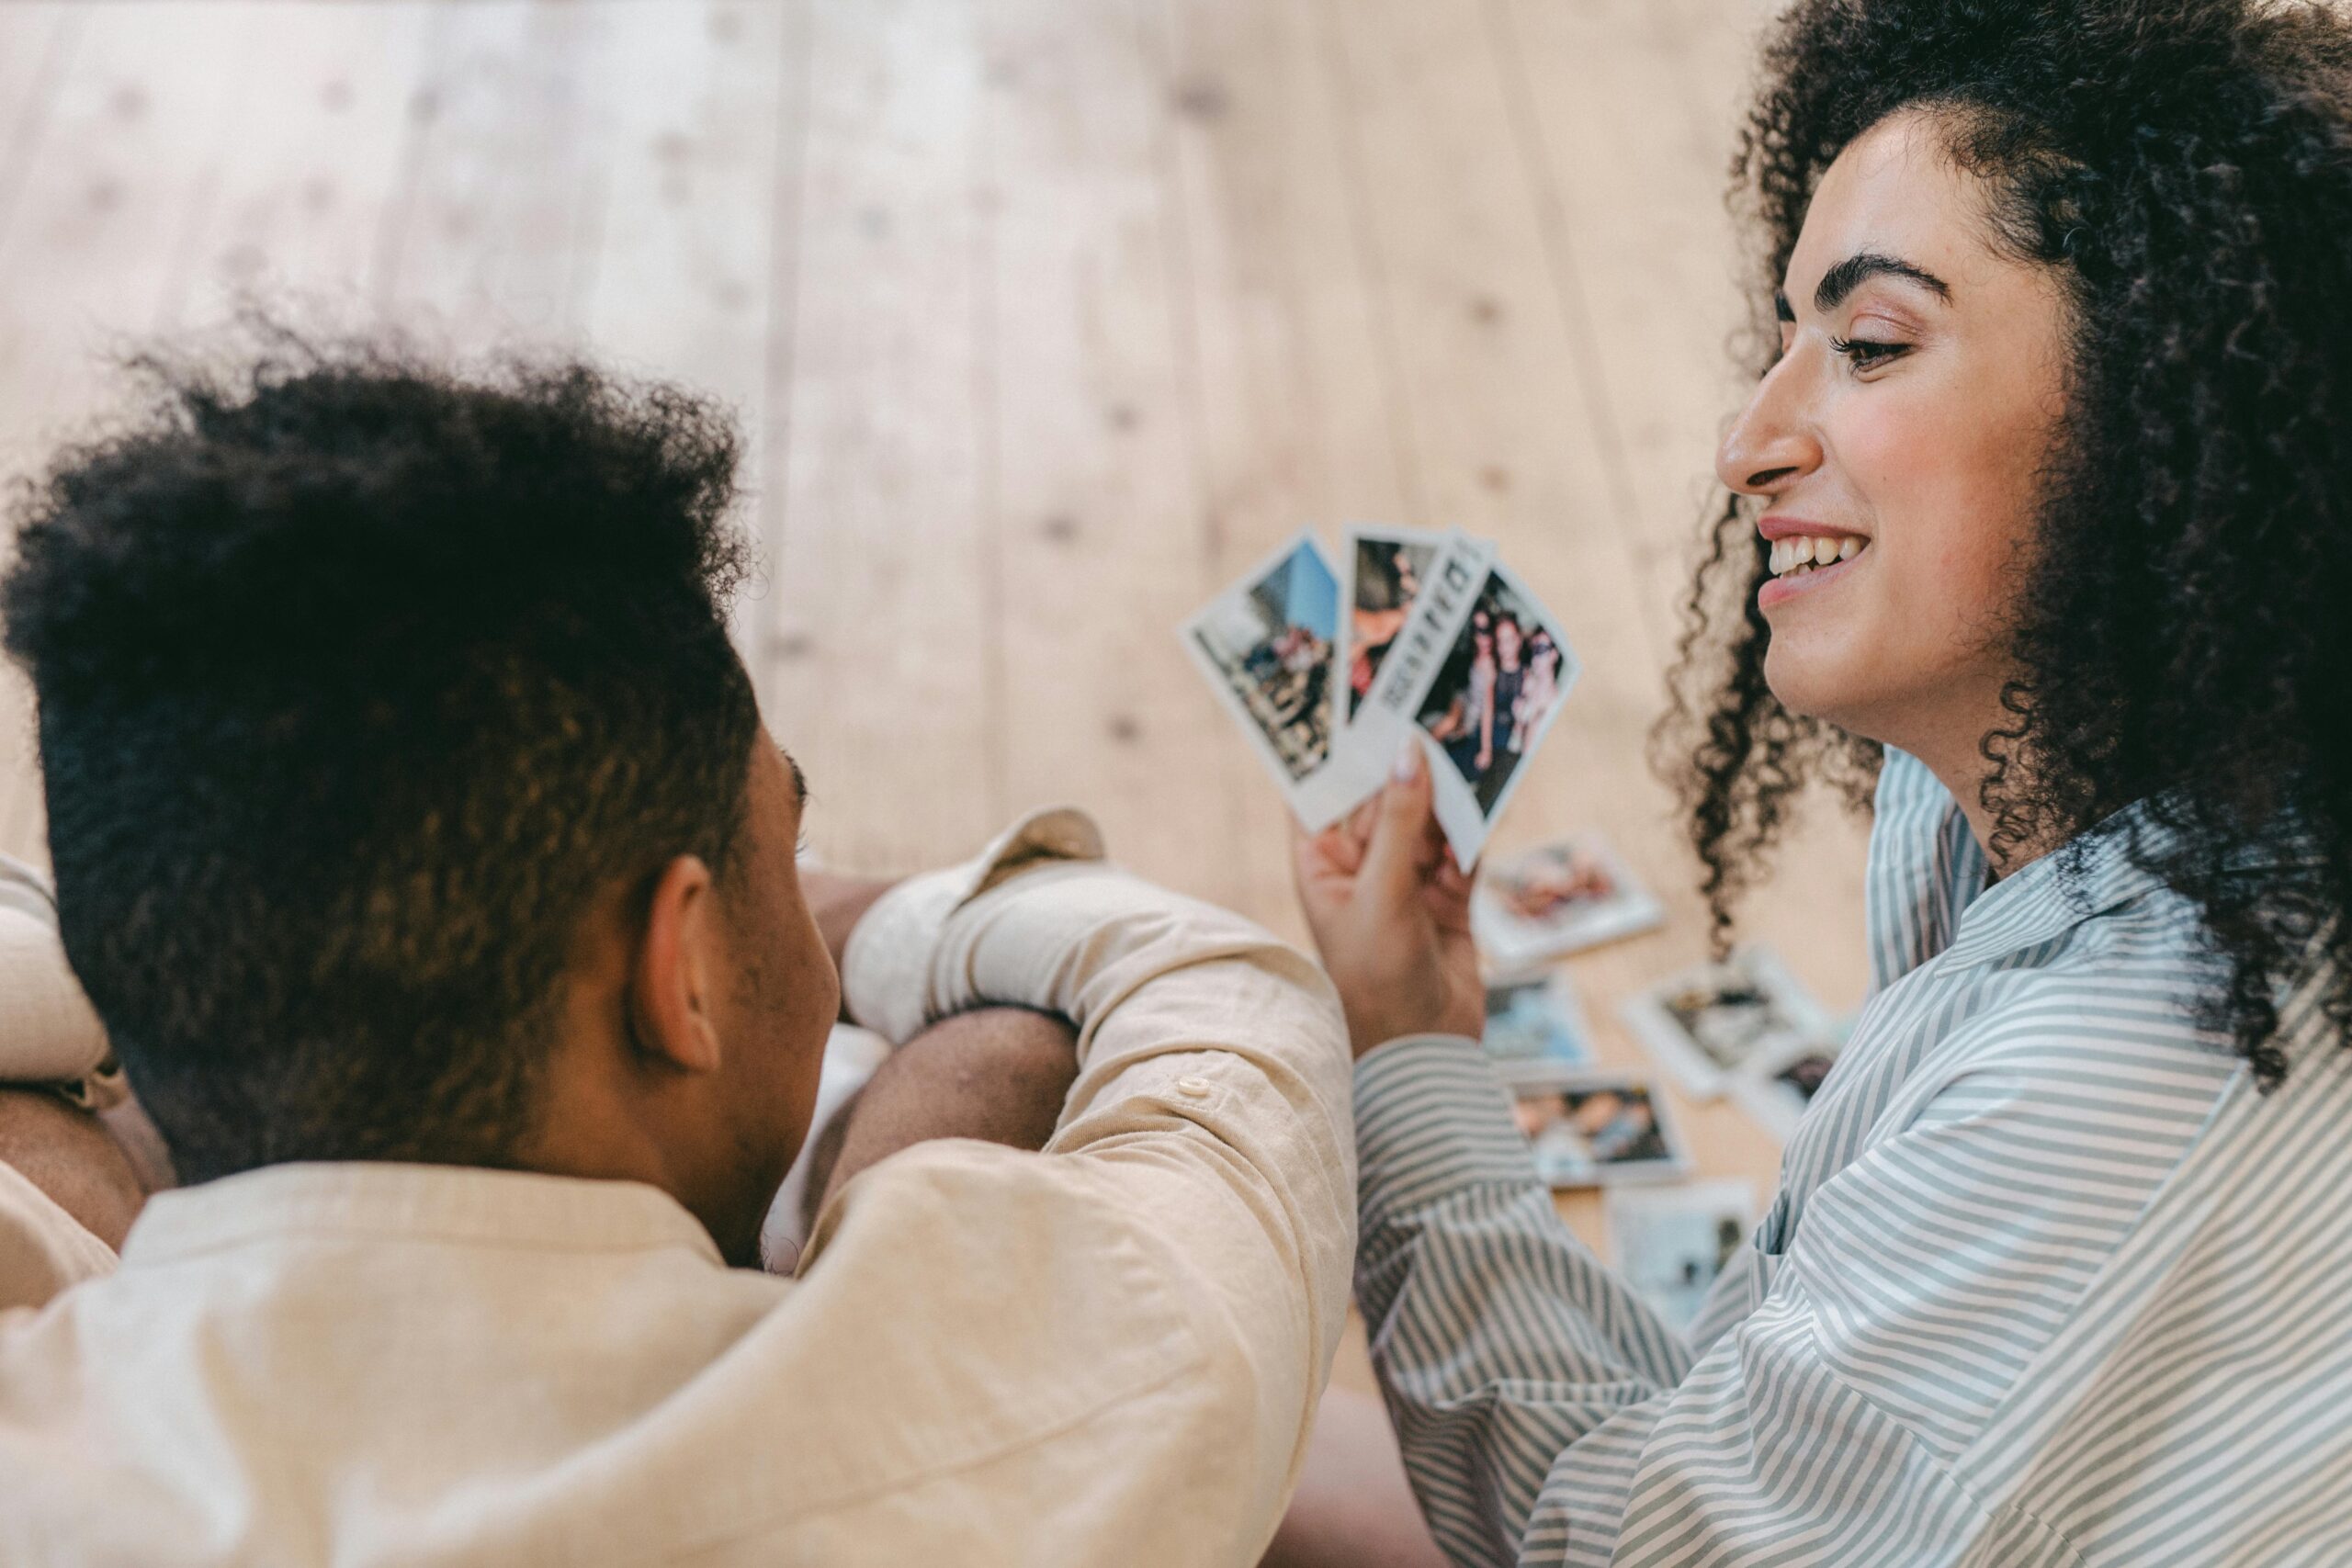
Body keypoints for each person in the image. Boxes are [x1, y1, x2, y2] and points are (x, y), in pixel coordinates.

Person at [1272, 0, 2352, 1562]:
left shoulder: (2120, 1073)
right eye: (1784, 341)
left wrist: (1405, 1051)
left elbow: (1623, 1544)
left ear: (2161, 398)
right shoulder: (2040, 794)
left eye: (1869, 346)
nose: (1748, 440)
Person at [0, 341, 1357, 1565]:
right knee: (1001, 1062)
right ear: (679, 969)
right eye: (788, 843)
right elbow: (1216, 993)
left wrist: (182, 971)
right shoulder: (1050, 1415)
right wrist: (867, 913)